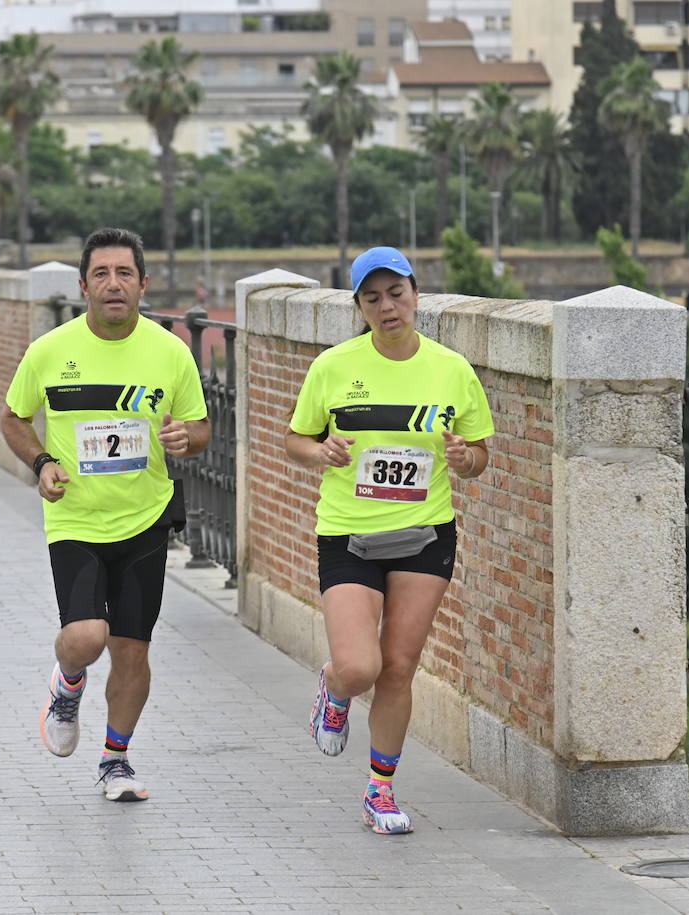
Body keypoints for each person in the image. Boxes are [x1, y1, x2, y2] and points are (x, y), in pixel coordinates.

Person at [285, 246, 494, 835]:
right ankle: (333, 688)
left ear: (416, 294)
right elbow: (295, 441)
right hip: (349, 533)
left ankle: (380, 792)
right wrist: (320, 450)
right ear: (359, 306)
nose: (387, 307)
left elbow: (479, 456)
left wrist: (464, 457)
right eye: (372, 298)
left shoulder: (452, 370)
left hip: (424, 534)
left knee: (398, 667)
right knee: (359, 666)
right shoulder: (332, 366)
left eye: (396, 293)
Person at [0, 227, 210, 802]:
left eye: (124, 274)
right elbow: (14, 418)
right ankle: (67, 684)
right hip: (75, 518)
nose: (113, 284)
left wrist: (184, 439)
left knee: (131, 649)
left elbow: (200, 427)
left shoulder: (171, 352)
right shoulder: (50, 350)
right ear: (83, 286)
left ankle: (115, 761)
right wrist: (41, 462)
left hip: (145, 516)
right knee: (87, 637)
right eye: (101, 274)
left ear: (143, 285)